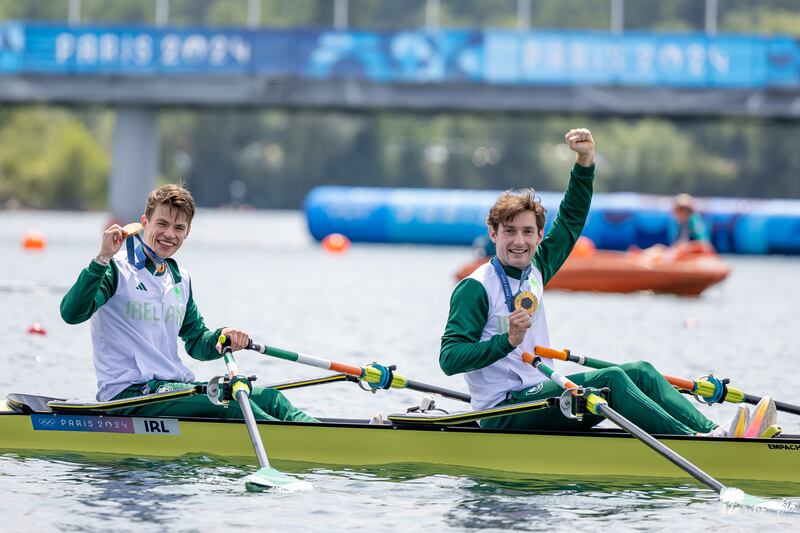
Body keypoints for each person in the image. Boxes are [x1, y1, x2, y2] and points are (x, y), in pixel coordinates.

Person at [439, 129, 776, 438]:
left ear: (540, 235)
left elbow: (571, 218)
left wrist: (585, 163)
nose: (519, 241)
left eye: (527, 232)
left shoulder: (537, 267)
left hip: (543, 392)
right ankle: (696, 445)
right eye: (509, 231)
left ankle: (714, 433)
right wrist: (506, 341)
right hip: (504, 410)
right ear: (493, 233)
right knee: (612, 379)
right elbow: (449, 359)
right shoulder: (476, 287)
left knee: (641, 371)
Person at [60, 184, 316, 423]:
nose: (169, 234)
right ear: (144, 223)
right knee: (233, 403)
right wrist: (102, 257)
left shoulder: (180, 278)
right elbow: (71, 314)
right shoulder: (115, 270)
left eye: (178, 228)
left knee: (271, 398)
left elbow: (197, 343)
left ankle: (325, 436)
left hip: (168, 390)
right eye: (162, 223)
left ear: (188, 232)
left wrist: (222, 336)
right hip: (128, 395)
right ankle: (297, 444)